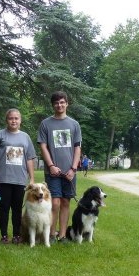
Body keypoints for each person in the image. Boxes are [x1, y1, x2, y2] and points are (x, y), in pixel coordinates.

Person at [38, 91, 82, 244]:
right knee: (54, 202)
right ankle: (51, 234)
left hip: (70, 171)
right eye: (56, 103)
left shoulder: (74, 124)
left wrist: (74, 169)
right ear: (53, 105)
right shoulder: (46, 124)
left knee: (65, 202)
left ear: (67, 104)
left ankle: (62, 235)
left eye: (62, 102)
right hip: (53, 172)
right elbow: (43, 146)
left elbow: (77, 148)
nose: (59, 105)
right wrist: (50, 165)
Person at [0, 108, 36, 245]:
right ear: (6, 120)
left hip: (20, 180)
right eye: (11, 118)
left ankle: (16, 235)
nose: (13, 121)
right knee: (3, 208)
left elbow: (30, 158)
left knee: (17, 209)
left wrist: (31, 179)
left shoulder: (25, 137)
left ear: (20, 120)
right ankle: (4, 236)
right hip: (3, 179)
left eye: (16, 118)